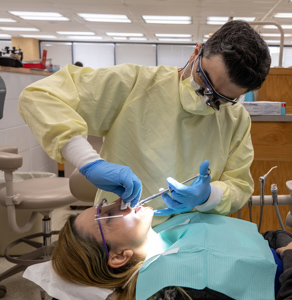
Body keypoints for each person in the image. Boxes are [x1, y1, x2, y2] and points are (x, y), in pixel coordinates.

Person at [18, 20, 271, 226]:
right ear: (196, 53)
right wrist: (88, 161)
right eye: (204, 80)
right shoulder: (135, 84)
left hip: (192, 235)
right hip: (121, 228)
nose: (206, 98)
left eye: (221, 98)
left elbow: (239, 186)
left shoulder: (236, 119)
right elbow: (40, 96)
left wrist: (208, 195)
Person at [51, 198, 292, 300]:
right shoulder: (178, 291)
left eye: (105, 204)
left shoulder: (174, 228)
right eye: (108, 216)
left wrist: (289, 248)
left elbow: (266, 236)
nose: (122, 201)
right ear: (119, 256)